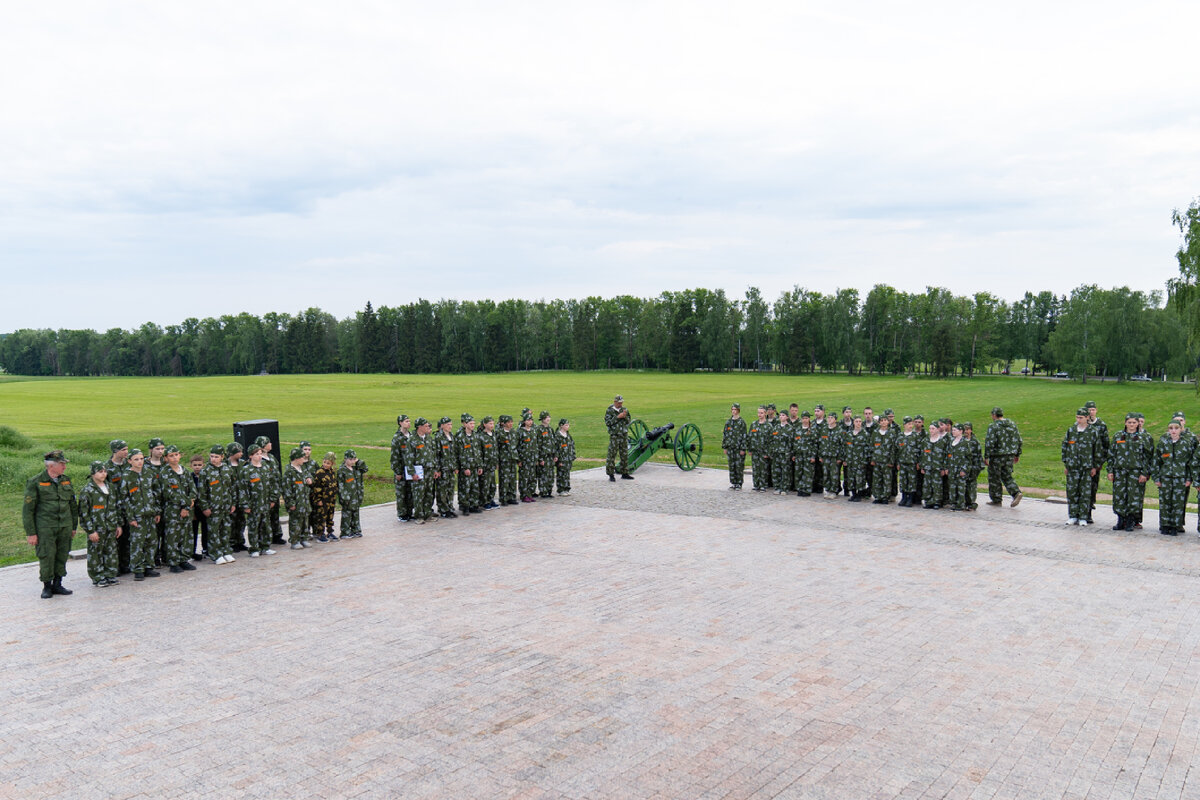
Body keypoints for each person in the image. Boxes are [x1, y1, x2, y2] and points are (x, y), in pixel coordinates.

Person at [79, 461, 121, 588]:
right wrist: (90, 530)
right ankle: (97, 576)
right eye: (100, 472)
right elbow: (83, 513)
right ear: (93, 474)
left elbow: (116, 507)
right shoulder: (88, 490)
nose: (103, 474)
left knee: (111, 551)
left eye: (105, 471)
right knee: (96, 553)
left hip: (111, 526)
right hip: (97, 528)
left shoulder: (110, 488)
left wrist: (118, 524)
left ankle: (110, 574)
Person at [122, 449, 161, 581]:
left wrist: (157, 511)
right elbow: (124, 498)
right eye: (136, 459)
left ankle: (149, 566)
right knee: (137, 542)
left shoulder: (149, 473)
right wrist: (130, 517)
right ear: (130, 461)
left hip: (150, 513)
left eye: (141, 459)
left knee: (151, 541)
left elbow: (155, 493)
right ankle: (138, 569)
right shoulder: (127, 476)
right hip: (137, 515)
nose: (139, 462)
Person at [1106, 414, 1149, 533]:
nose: (1131, 425)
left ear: (1138, 424)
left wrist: (1144, 473)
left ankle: (1131, 520)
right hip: (1120, 472)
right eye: (1129, 422)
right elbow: (1111, 454)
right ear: (1125, 423)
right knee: (1119, 496)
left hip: (1135, 472)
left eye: (1134, 423)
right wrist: (1110, 470)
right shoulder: (1118, 436)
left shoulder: (1144, 437)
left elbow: (1147, 457)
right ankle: (1120, 519)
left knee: (1134, 496)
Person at [159, 445, 198, 573]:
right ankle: (173, 561)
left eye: (176, 454)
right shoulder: (165, 472)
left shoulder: (185, 471)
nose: (174, 458)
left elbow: (192, 489)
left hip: (187, 509)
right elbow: (168, 493)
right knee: (173, 536)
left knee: (186, 534)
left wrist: (187, 506)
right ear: (166, 458)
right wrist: (185, 504)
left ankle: (183, 559)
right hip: (173, 510)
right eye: (171, 455)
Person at [1153, 419, 1195, 535]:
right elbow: (1157, 461)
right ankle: (1165, 524)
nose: (1173, 431)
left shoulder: (1186, 444)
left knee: (1178, 502)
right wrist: (1156, 478)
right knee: (1165, 501)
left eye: (1176, 428)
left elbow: (1190, 463)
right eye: (1171, 428)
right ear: (1168, 430)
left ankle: (1176, 526)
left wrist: (1189, 478)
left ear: (1181, 430)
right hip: (1165, 477)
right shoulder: (1163, 443)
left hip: (1180, 478)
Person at [1062, 408, 1100, 526]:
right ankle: (1073, 515)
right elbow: (1065, 448)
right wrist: (1066, 464)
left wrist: (1094, 467)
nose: (1078, 420)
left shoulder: (1093, 431)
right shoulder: (1071, 431)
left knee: (1085, 492)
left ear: (1087, 418)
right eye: (1077, 417)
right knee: (1072, 492)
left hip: (1086, 467)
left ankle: (1083, 516)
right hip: (1073, 467)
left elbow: (1097, 450)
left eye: (1081, 418)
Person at [198, 445, 236, 564]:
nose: (213, 459)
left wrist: (233, 503)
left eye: (216, 457)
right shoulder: (205, 471)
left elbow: (233, 487)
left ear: (222, 457)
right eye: (212, 456)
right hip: (213, 507)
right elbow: (201, 492)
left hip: (226, 506)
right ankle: (216, 553)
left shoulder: (227, 469)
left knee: (226, 529)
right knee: (213, 531)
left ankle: (226, 551)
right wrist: (205, 507)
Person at [240, 444, 276, 557]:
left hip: (265, 503)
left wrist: (272, 498)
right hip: (253, 504)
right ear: (251, 456)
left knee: (266, 525)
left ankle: (265, 546)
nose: (259, 456)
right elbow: (243, 489)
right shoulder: (246, 470)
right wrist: (245, 505)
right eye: (256, 454)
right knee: (254, 526)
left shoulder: (265, 467)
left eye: (260, 454)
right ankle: (254, 548)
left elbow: (271, 484)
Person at [984, 407, 1023, 507]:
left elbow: (990, 442)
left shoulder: (993, 426)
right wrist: (1017, 454)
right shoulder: (1012, 424)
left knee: (994, 477)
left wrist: (986, 456)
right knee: (1007, 475)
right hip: (1010, 455)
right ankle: (1016, 492)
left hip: (997, 456)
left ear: (993, 415)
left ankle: (996, 499)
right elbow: (1019, 440)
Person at [104, 439, 132, 575]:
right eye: (123, 450)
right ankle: (115, 566)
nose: (126, 452)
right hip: (114, 507)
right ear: (115, 451)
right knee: (116, 538)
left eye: (127, 449)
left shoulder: (129, 464)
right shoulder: (107, 468)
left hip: (129, 506)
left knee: (128, 536)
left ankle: (126, 564)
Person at [283, 448, 314, 549]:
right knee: (295, 522)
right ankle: (295, 540)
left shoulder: (303, 469)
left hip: (304, 501)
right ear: (296, 458)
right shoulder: (289, 472)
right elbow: (286, 489)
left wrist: (310, 480)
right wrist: (290, 503)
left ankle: (304, 538)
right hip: (296, 503)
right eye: (302, 457)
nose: (304, 460)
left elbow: (309, 477)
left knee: (305, 521)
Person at [409, 419, 437, 524]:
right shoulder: (412, 440)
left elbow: (433, 455)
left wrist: (435, 469)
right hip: (419, 471)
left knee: (429, 493)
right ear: (419, 427)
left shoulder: (429, 439)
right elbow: (409, 458)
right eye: (425, 426)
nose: (428, 428)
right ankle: (419, 516)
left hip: (430, 470)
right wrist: (412, 473)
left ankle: (427, 513)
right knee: (419, 494)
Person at [1085, 401, 1110, 517]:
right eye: (1089, 410)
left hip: (1095, 462)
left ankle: (1090, 508)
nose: (1091, 412)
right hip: (1083, 462)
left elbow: (1106, 445)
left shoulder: (1101, 425)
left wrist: (1100, 462)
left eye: (1093, 409)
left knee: (1092, 487)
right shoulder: (1081, 425)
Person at [454, 414, 481, 515]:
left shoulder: (475, 435)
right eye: (470, 423)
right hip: (466, 467)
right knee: (465, 487)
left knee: (474, 487)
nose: (473, 425)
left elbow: (478, 452)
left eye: (474, 423)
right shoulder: (460, 436)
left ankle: (473, 504)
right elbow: (460, 453)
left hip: (474, 466)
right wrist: (465, 467)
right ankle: (465, 506)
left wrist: (479, 465)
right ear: (465, 424)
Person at [337, 449, 368, 538]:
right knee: (347, 515)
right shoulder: (342, 470)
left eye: (354, 459)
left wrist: (358, 461)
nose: (352, 461)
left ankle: (356, 530)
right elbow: (341, 485)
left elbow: (365, 468)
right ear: (345, 459)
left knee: (356, 514)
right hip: (348, 497)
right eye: (350, 459)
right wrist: (344, 497)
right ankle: (345, 532)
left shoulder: (357, 469)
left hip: (357, 496)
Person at [390, 415, 413, 522]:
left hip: (411, 469)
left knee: (410, 491)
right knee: (401, 492)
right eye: (406, 421)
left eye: (409, 421)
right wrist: (397, 472)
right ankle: (402, 513)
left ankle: (409, 511)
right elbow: (395, 456)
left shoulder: (411, 436)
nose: (408, 423)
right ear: (400, 423)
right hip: (402, 469)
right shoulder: (397, 438)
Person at [310, 452, 338, 540]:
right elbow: (317, 488)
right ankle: (320, 534)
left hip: (331, 499)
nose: (325, 464)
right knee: (321, 517)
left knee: (330, 516)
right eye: (324, 462)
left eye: (328, 463)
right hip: (323, 500)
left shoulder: (332, 472)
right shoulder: (319, 473)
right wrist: (318, 500)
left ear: (332, 464)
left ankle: (330, 532)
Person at [605, 394, 633, 481]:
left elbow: (629, 421)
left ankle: (625, 473)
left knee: (624, 454)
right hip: (615, 435)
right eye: (619, 403)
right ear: (615, 402)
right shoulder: (610, 410)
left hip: (623, 435)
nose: (620, 404)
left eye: (622, 403)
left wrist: (624, 417)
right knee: (612, 455)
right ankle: (611, 474)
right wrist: (618, 417)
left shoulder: (624, 410)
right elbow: (608, 422)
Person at [225, 443, 247, 552]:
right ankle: (232, 542)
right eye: (239, 452)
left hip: (241, 497)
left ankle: (240, 540)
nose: (241, 454)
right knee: (231, 521)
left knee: (241, 520)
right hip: (231, 498)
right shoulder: (225, 465)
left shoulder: (243, 464)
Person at [869, 415, 896, 504]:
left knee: (887, 480)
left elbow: (893, 448)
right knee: (877, 479)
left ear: (888, 422)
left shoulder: (892, 433)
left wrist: (891, 461)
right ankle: (878, 496)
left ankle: (885, 497)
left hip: (886, 461)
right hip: (877, 460)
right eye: (882, 420)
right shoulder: (875, 433)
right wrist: (872, 459)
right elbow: (872, 446)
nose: (883, 422)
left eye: (885, 420)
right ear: (879, 422)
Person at [722, 403, 748, 490]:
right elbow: (725, 435)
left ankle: (739, 483)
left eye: (735, 409)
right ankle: (733, 482)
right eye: (732, 409)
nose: (733, 411)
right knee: (731, 466)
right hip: (730, 448)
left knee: (739, 466)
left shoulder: (741, 422)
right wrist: (725, 447)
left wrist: (743, 448)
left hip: (738, 448)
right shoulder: (728, 422)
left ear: (738, 410)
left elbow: (744, 436)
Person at [434, 417, 457, 518]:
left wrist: (455, 466)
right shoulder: (438, 437)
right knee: (442, 490)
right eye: (448, 424)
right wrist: (437, 469)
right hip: (443, 469)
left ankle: (450, 507)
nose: (450, 426)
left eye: (451, 424)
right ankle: (443, 509)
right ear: (442, 425)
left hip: (451, 468)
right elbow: (436, 455)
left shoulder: (451, 436)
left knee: (450, 489)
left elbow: (454, 453)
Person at [189, 453, 208, 560]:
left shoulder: (205, 477)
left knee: (206, 529)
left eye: (199, 465)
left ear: (203, 465)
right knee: (194, 530)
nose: (197, 467)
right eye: (195, 465)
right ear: (191, 466)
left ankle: (206, 548)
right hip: (194, 508)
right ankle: (192, 550)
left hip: (204, 508)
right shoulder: (189, 477)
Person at [792, 411, 817, 497]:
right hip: (799, 455)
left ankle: (807, 489)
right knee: (798, 472)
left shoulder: (812, 430)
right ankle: (800, 488)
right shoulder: (798, 429)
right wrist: (794, 454)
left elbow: (815, 444)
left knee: (807, 473)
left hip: (808, 455)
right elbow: (795, 442)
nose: (805, 420)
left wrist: (813, 456)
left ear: (809, 419)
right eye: (803, 418)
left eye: (806, 418)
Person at [496, 414, 518, 506]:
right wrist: (497, 461)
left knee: (512, 479)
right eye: (508, 422)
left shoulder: (513, 432)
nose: (511, 424)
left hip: (513, 458)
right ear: (504, 424)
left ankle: (512, 497)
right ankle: (503, 498)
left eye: (511, 422)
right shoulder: (500, 433)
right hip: (504, 460)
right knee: (504, 479)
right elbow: (497, 448)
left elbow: (516, 445)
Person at [477, 416, 499, 509]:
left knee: (492, 484)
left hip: (492, 464)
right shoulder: (481, 436)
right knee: (485, 484)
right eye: (490, 423)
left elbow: (495, 449)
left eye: (493, 423)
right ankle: (484, 501)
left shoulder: (493, 435)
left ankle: (490, 499)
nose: (492, 425)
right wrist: (480, 465)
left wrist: (496, 462)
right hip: (485, 465)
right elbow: (479, 452)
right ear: (484, 424)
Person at [961, 422, 983, 510]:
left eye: (967, 429)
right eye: (964, 430)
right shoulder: (961, 440)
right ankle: (964, 501)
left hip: (973, 467)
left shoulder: (975, 442)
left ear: (971, 430)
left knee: (972, 485)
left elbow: (978, 455)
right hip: (964, 467)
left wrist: (978, 467)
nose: (966, 431)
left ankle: (972, 502)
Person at [517, 413, 538, 503]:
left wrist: (536, 458)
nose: (530, 422)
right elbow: (517, 446)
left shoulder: (533, 431)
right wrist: (519, 460)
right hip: (524, 459)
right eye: (528, 420)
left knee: (532, 477)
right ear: (524, 421)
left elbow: (535, 445)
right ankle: (524, 495)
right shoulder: (520, 432)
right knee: (524, 478)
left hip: (532, 459)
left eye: (531, 420)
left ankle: (530, 493)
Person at [749, 406, 770, 492]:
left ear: (765, 413)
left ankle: (763, 485)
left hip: (763, 451)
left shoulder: (768, 426)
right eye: (758, 413)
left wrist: (768, 453)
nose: (759, 415)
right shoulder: (754, 424)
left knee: (763, 469)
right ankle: (756, 484)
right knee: (755, 468)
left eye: (761, 413)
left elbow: (770, 441)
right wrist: (749, 449)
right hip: (755, 451)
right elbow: (749, 437)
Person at [536, 411, 557, 498]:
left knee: (550, 474)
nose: (548, 419)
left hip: (550, 456)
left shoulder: (550, 429)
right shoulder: (539, 429)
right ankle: (543, 492)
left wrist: (555, 455)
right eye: (546, 417)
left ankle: (549, 491)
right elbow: (538, 444)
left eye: (549, 417)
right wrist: (540, 458)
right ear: (542, 419)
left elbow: (553, 443)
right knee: (543, 475)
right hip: (544, 456)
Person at [554, 418, 576, 495]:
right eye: (566, 425)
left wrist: (573, 455)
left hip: (568, 458)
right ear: (561, 426)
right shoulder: (557, 436)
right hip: (562, 459)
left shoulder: (568, 435)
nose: (568, 426)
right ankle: (561, 489)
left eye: (568, 425)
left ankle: (566, 488)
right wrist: (558, 460)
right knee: (561, 474)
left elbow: (572, 445)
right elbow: (556, 448)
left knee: (567, 474)